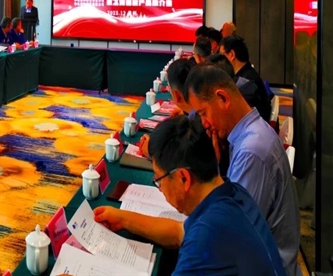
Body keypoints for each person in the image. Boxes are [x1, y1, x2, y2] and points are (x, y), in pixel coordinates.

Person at [94, 115, 286, 276]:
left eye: (159, 179)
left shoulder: (206, 236)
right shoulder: (233, 192)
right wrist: (123, 218)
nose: (160, 188)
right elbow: (179, 232)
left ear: (184, 178)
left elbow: (195, 238)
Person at [186, 64, 300, 275]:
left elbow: (225, 236)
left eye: (204, 113)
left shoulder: (251, 151)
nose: (205, 123)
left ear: (222, 98)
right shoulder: (248, 134)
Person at [220, 35, 272, 123]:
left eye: (222, 55)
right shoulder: (248, 72)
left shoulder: (244, 82)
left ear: (232, 54)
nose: (220, 60)